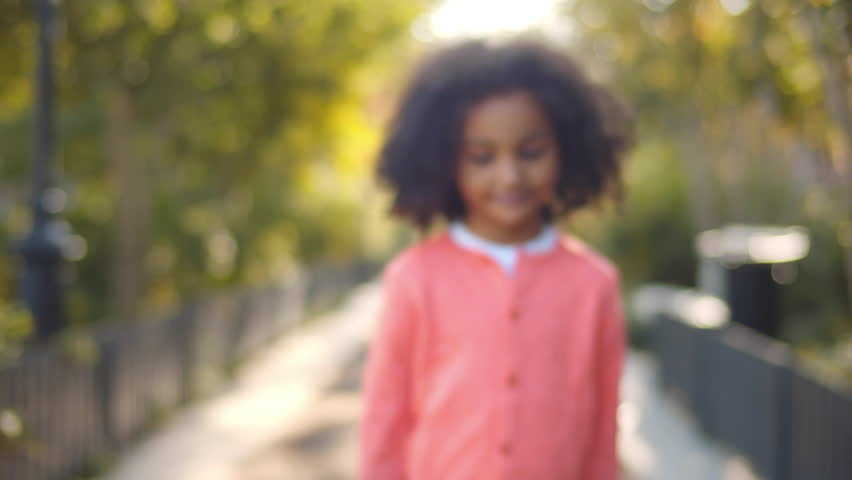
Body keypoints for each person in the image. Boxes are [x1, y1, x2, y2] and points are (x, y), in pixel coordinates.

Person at [360, 38, 634, 480]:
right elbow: (384, 422)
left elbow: (603, 429)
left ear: (565, 149)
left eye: (531, 153)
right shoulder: (413, 278)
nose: (509, 175)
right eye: (482, 157)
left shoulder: (594, 283)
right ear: (446, 162)